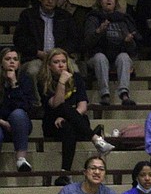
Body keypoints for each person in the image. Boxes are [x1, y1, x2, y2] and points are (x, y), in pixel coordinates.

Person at [38, 48, 114, 186]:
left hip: (73, 121)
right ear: (49, 65)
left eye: (63, 62)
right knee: (65, 110)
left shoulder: (76, 77)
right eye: (56, 62)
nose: (61, 65)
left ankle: (64, 173)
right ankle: (95, 138)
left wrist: (67, 118)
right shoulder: (43, 81)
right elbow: (56, 104)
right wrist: (61, 82)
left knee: (68, 125)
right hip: (52, 122)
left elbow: (83, 106)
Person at [14, 0, 81, 107]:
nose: (50, 1)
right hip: (36, 57)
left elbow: (74, 40)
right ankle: (37, 104)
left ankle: (71, 103)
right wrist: (37, 52)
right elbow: (19, 39)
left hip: (60, 57)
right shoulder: (28, 15)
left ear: (58, 0)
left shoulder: (65, 16)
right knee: (32, 71)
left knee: (75, 70)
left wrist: (60, 54)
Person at [84, 0, 140, 106]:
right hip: (97, 57)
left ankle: (124, 95)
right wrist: (98, 31)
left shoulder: (123, 20)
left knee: (124, 57)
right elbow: (88, 43)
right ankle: (105, 95)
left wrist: (128, 41)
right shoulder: (93, 18)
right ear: (100, 1)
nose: (108, 0)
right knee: (100, 58)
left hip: (117, 57)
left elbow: (133, 49)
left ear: (115, 2)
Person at [0, 47, 34, 171]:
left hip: (19, 124)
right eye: (8, 59)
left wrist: (14, 84)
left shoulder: (25, 79)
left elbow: (26, 107)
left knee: (18, 114)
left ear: (19, 63)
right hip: (1, 123)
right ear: (1, 62)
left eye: (15, 59)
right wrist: (3, 122)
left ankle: (21, 160)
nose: (12, 62)